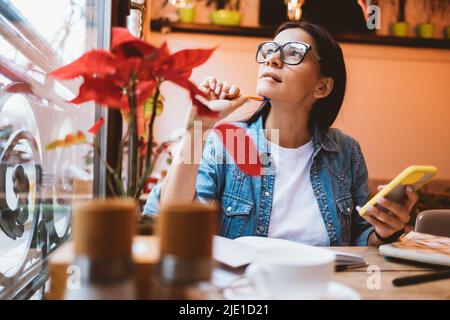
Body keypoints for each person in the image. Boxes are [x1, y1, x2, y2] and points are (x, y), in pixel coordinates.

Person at [144, 21, 418, 246]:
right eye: (270, 50)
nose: (273, 59)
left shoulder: (346, 151)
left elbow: (361, 236)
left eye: (293, 53)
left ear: (322, 87)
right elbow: (171, 218)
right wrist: (199, 127)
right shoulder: (229, 142)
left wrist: (384, 232)